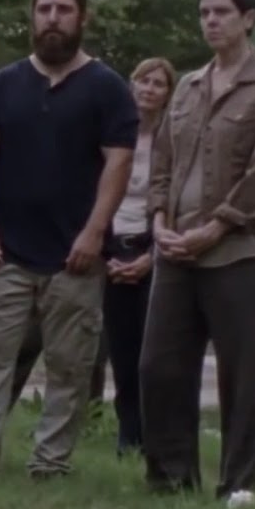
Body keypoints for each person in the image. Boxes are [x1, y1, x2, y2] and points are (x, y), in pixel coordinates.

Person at [0, 0, 138, 481]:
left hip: (76, 257)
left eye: (63, 10)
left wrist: (95, 231)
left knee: (69, 369)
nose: (53, 19)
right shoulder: (3, 85)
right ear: (32, 17)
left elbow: (118, 163)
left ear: (82, 17)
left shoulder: (108, 88)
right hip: (4, 251)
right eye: (44, 9)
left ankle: (50, 464)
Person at [140, 0, 255, 506]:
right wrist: (159, 221)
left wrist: (217, 226)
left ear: (248, 18)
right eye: (204, 12)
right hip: (177, 251)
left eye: (222, 12)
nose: (211, 21)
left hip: (242, 251)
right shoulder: (187, 86)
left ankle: (241, 486)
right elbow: (162, 161)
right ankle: (170, 484)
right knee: (159, 367)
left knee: (243, 375)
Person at [102, 58, 176, 454]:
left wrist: (151, 255)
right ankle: (127, 434)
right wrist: (105, 254)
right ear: (131, 85)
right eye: (143, 80)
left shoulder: (172, 141)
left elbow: (175, 202)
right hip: (111, 247)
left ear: (168, 94)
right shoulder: (112, 134)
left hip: (154, 249)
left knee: (154, 351)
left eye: (158, 84)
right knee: (122, 350)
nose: (149, 89)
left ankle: (156, 434)